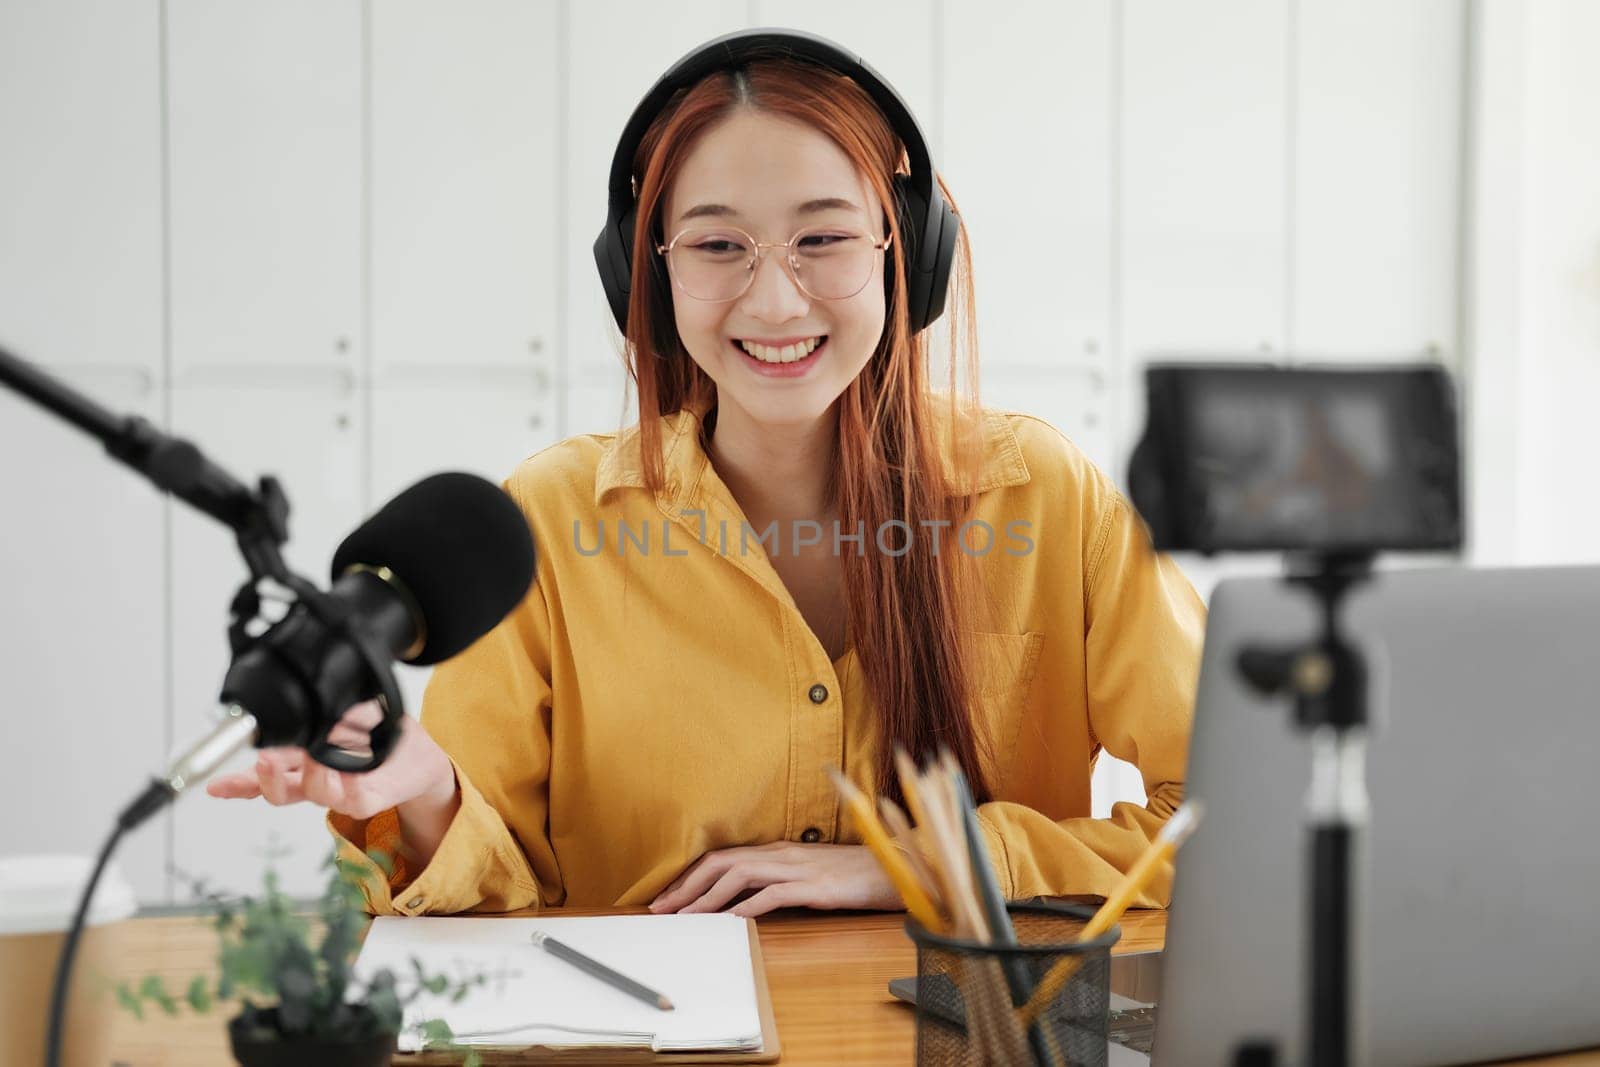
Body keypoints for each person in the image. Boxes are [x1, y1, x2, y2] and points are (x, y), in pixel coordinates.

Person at [208, 30, 1204, 920]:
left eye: (823, 237)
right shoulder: (551, 520)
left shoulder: (1043, 495)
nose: (774, 299)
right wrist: (421, 784)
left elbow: (1226, 814)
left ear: (908, 255)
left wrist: (925, 860)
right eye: (718, 244)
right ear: (648, 271)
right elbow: (499, 882)